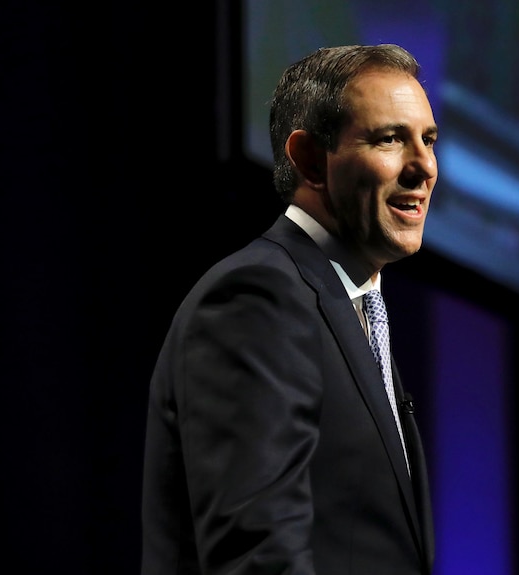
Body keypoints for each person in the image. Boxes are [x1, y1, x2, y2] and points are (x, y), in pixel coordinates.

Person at [141, 44, 438, 575]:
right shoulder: (258, 298)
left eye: (428, 139)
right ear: (309, 160)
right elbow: (259, 555)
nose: (424, 167)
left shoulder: (352, 311)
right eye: (390, 139)